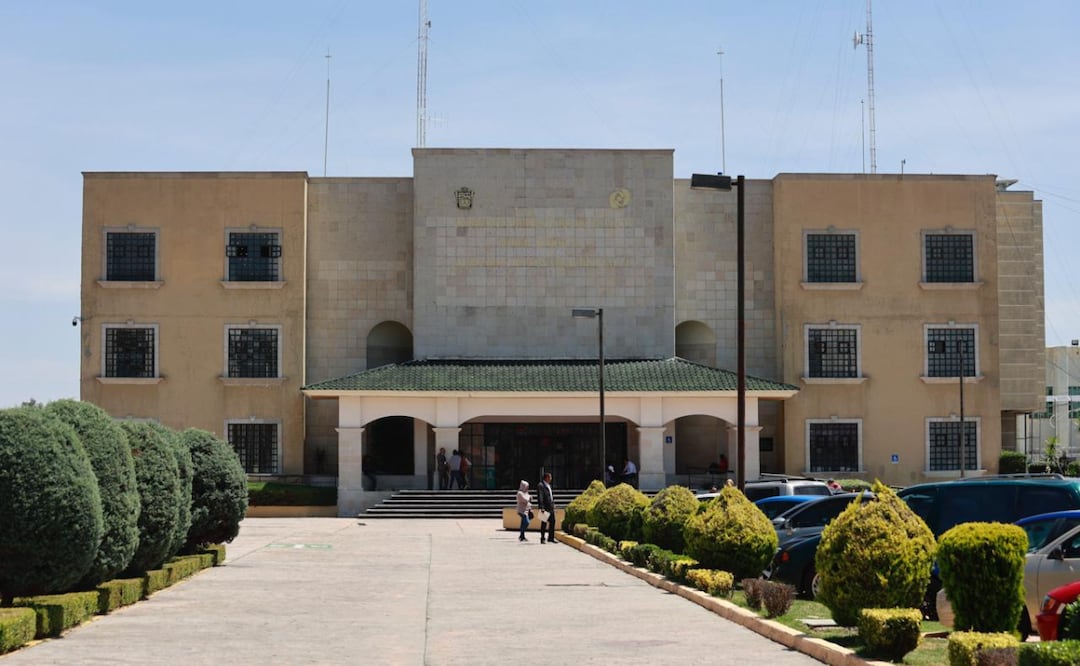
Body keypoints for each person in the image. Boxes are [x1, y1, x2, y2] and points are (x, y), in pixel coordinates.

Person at [537, 472, 556, 544]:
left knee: (552, 522)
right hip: (544, 507)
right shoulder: (541, 485)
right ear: (546, 477)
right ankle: (542, 538)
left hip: (550, 507)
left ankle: (551, 538)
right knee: (544, 523)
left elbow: (550, 496)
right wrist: (541, 507)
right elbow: (540, 497)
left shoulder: (548, 485)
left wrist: (553, 503)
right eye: (550, 477)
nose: (551, 479)